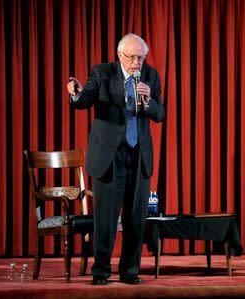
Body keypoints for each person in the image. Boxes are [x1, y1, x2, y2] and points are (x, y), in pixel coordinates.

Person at [66, 33, 165, 285]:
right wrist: (76, 94)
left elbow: (159, 114)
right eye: (132, 57)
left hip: (139, 155)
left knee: (136, 218)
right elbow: (85, 100)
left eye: (141, 58)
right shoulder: (102, 72)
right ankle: (100, 272)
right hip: (110, 155)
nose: (136, 63)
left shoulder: (151, 76)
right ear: (120, 55)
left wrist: (148, 100)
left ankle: (130, 271)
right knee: (106, 219)